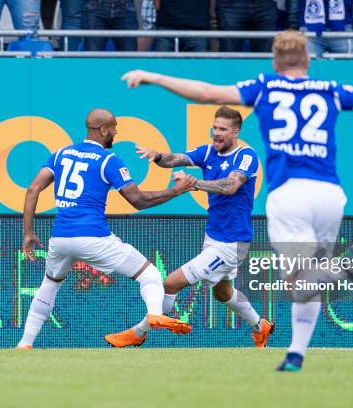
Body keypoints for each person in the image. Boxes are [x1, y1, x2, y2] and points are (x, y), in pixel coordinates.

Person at [120, 30, 353, 371]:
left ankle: (147, 328)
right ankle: (291, 340)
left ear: (275, 62)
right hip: (327, 194)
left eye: (223, 129)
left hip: (285, 198)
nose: (217, 133)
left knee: (294, 281)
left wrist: (154, 75)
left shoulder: (265, 90)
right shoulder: (328, 90)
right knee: (237, 290)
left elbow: (205, 92)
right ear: (308, 60)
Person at [17, 108, 197, 349]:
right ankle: (155, 313)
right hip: (93, 237)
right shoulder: (108, 160)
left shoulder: (60, 154)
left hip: (60, 238)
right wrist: (177, 190)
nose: (115, 131)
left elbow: (32, 189)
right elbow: (138, 200)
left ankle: (24, 344)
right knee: (150, 275)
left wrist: (28, 232)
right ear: (103, 130)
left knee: (49, 284)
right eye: (113, 127)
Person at [104, 106, 275, 348]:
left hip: (231, 244)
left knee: (170, 283)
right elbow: (176, 159)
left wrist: (194, 184)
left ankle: (139, 333)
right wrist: (157, 156)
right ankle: (261, 326)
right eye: (214, 128)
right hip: (214, 238)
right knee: (222, 294)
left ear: (236, 131)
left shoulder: (246, 156)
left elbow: (230, 186)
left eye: (223, 129)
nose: (216, 133)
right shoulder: (207, 152)